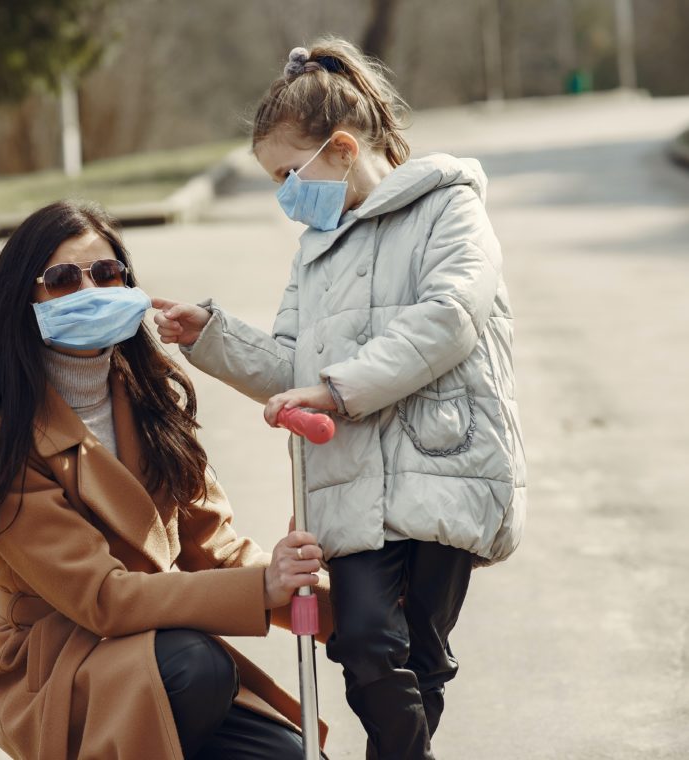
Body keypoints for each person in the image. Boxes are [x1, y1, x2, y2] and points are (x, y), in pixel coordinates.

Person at [153, 37, 526, 760]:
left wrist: (334, 390)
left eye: (290, 172)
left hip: (441, 466)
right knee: (361, 641)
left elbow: (449, 319)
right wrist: (214, 338)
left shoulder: (450, 209)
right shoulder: (315, 250)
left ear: (345, 149)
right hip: (349, 480)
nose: (285, 193)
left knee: (419, 656)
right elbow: (295, 365)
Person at [0, 199, 335, 760]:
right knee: (198, 669)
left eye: (106, 273)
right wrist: (261, 591)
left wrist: (321, 599)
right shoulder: (2, 434)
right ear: (26, 299)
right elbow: (102, 598)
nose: (89, 290)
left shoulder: (150, 399)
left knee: (289, 753)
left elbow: (214, 549)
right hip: (62, 663)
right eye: (63, 279)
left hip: (161, 647)